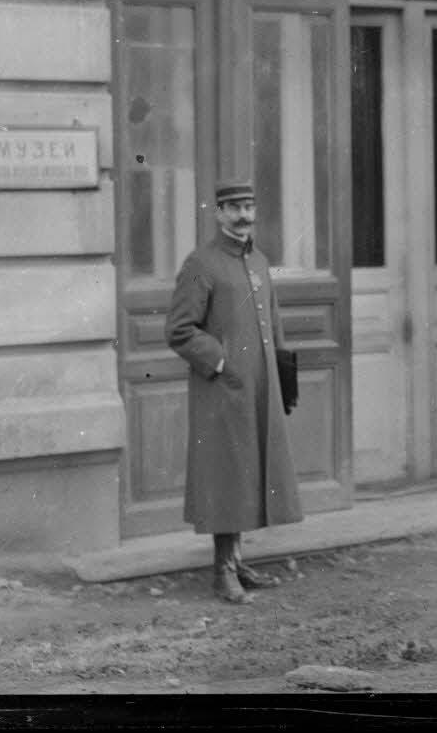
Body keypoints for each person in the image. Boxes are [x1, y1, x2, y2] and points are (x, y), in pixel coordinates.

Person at [165, 179, 303, 604]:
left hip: (259, 386)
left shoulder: (259, 261)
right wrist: (221, 361)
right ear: (218, 213)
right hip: (222, 389)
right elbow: (179, 330)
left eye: (249, 206)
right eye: (234, 207)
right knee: (227, 477)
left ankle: (239, 560)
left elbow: (273, 320)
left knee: (250, 475)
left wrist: (283, 374)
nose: (244, 215)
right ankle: (222, 571)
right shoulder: (200, 264)